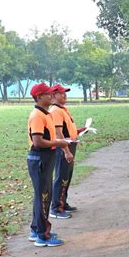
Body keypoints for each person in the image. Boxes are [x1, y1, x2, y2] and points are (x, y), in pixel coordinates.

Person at [27, 83, 69, 247]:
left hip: (44, 158)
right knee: (44, 197)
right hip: (40, 158)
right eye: (48, 94)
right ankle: (43, 236)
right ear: (39, 97)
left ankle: (36, 229)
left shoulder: (45, 114)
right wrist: (58, 143)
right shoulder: (38, 115)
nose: (52, 96)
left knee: (41, 196)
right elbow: (38, 141)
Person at [49, 84, 86, 219]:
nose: (64, 95)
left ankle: (62, 203)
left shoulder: (62, 109)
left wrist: (79, 131)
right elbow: (58, 133)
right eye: (61, 93)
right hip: (63, 147)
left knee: (67, 176)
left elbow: (66, 129)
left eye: (65, 92)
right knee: (61, 177)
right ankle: (56, 208)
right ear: (53, 96)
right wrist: (66, 150)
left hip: (70, 144)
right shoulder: (55, 110)